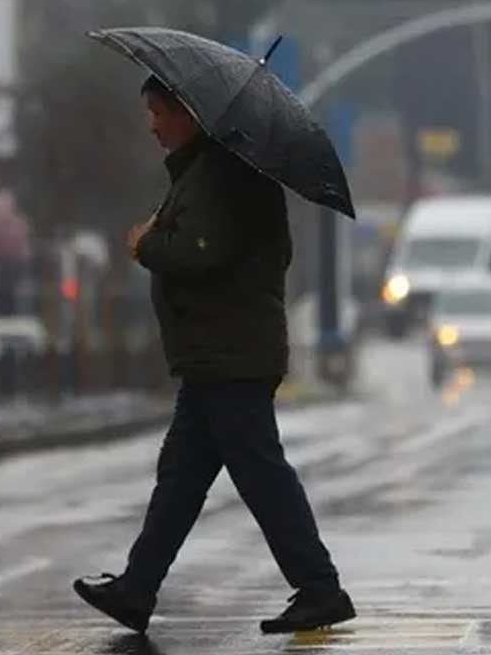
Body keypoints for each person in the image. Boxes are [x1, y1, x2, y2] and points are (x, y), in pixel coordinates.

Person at [73, 76, 355, 635]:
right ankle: (137, 588)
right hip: (217, 355)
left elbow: (203, 252)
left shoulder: (223, 173)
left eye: (158, 112)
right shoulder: (212, 169)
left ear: (189, 113)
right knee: (180, 477)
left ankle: (320, 588)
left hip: (232, 355)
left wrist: (145, 243)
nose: (152, 125)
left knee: (260, 474)